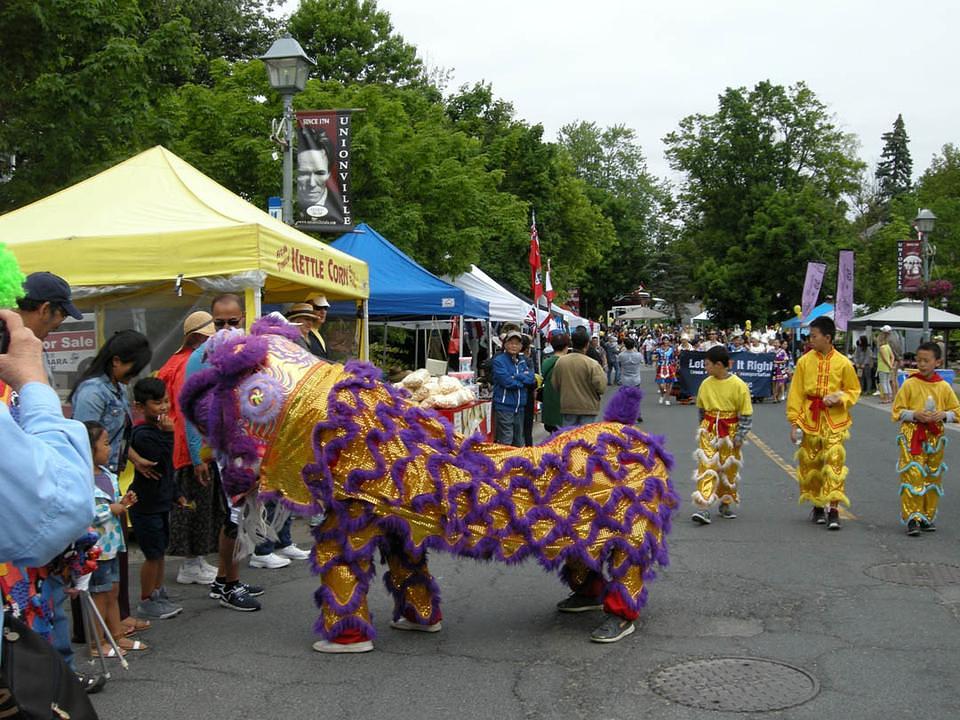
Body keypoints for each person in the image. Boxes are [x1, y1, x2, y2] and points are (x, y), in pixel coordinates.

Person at [71, 328, 153, 634]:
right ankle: (93, 629)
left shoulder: (117, 388)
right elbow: (85, 438)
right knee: (94, 553)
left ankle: (118, 616)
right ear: (117, 361)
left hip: (111, 477)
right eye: (133, 367)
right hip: (92, 480)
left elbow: (115, 437)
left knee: (114, 550)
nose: (134, 375)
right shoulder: (93, 391)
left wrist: (135, 459)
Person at [185, 293, 263, 611]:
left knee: (240, 513)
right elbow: (188, 407)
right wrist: (198, 456)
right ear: (211, 323)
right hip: (221, 448)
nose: (227, 328)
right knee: (232, 515)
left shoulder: (252, 350)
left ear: (242, 318)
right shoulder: (200, 357)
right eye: (220, 323)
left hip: (247, 445)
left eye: (233, 321)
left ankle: (225, 579)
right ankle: (228, 585)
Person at [156, 311, 221, 586]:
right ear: (197, 338)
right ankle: (191, 563)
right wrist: (198, 455)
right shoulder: (188, 364)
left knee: (195, 505)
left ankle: (195, 561)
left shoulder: (174, 362)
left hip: (183, 445)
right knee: (194, 506)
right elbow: (188, 411)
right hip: (189, 447)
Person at [786, 316, 861, 530]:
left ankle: (834, 508)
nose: (811, 340)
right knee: (812, 463)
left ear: (827, 337)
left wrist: (840, 397)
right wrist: (794, 422)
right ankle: (818, 505)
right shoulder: (804, 361)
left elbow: (854, 390)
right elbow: (797, 393)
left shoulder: (844, 363)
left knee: (834, 462)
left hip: (835, 419)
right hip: (810, 417)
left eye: (814, 336)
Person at [85, 421, 146, 656]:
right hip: (95, 548)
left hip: (113, 544)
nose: (109, 449)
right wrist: (112, 509)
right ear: (89, 449)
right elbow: (85, 512)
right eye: (105, 443)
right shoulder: (81, 478)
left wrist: (125, 502)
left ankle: (116, 636)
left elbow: (116, 501)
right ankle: (96, 644)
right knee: (99, 594)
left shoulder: (108, 474)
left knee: (112, 592)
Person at [129, 377, 186, 620]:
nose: (163, 407)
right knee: (152, 555)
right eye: (156, 403)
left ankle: (157, 592)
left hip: (161, 500)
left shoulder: (158, 430)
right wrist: (170, 434)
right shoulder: (142, 434)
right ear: (140, 407)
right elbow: (159, 460)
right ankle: (146, 599)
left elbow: (169, 471)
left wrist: (176, 495)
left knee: (160, 551)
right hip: (146, 504)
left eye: (165, 402)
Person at [891, 342, 960, 536]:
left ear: (937, 362)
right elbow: (897, 411)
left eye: (926, 360)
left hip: (935, 439)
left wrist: (944, 416)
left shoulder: (944, 387)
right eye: (918, 360)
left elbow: (956, 411)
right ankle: (913, 517)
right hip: (912, 436)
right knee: (913, 474)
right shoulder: (910, 383)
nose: (921, 364)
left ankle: (927, 516)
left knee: (932, 477)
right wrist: (915, 415)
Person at [691, 346, 753, 524]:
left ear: (719, 365)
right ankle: (703, 506)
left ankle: (725, 502)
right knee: (707, 466)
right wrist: (703, 428)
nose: (706, 368)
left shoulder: (739, 385)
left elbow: (746, 414)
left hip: (730, 430)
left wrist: (740, 436)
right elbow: (701, 410)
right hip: (709, 429)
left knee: (728, 468)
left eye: (708, 364)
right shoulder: (705, 384)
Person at [551, 327, 606, 426]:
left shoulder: (561, 362)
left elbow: (555, 384)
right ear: (587, 344)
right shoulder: (592, 364)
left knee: (570, 437)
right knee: (586, 438)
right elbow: (601, 387)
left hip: (568, 406)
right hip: (588, 407)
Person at [491, 329, 535, 446]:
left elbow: (531, 379)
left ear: (521, 346)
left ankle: (517, 463)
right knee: (506, 439)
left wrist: (516, 376)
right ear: (505, 344)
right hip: (505, 406)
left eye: (517, 343)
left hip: (520, 406)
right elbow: (507, 382)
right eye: (511, 343)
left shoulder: (522, 361)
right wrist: (522, 380)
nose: (514, 346)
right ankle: (505, 463)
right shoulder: (499, 361)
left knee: (519, 440)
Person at [296, 131, 343, 225]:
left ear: (329, 173)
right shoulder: (293, 208)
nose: (312, 183)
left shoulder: (337, 205)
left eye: (320, 173)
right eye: (304, 173)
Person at [540, 332, 569, 433]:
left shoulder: (546, 362)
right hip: (564, 408)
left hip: (549, 406)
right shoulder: (568, 363)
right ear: (566, 346)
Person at [617, 337, 643, 422]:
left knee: (625, 399)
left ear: (625, 345)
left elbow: (619, 363)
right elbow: (642, 362)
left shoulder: (621, 355)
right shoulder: (638, 355)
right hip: (636, 379)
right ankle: (637, 414)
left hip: (625, 379)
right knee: (635, 398)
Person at [653, 335, 677, 405]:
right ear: (662, 341)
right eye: (664, 340)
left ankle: (667, 399)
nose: (666, 341)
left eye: (667, 340)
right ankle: (662, 395)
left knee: (668, 384)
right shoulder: (659, 349)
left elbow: (674, 358)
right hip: (661, 367)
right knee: (661, 385)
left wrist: (674, 364)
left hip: (669, 367)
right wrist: (656, 359)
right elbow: (653, 357)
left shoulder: (671, 349)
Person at [877, 329, 896, 403]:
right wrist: (891, 364)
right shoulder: (888, 346)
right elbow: (892, 356)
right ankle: (890, 397)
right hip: (888, 368)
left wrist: (889, 365)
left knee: (883, 383)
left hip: (882, 367)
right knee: (887, 382)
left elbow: (884, 359)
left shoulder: (881, 348)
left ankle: (885, 398)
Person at [771, 338, 790, 403]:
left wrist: (777, 362)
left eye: (777, 343)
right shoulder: (771, 351)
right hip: (773, 369)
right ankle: (774, 397)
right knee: (774, 383)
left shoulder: (782, 351)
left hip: (781, 369)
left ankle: (777, 395)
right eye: (775, 342)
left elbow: (785, 360)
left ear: (779, 344)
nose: (776, 344)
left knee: (780, 383)